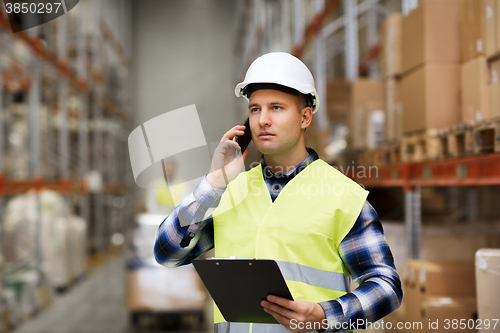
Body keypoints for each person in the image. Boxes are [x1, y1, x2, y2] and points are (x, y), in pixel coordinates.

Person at [154, 52, 402, 333]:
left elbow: (386, 287)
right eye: (255, 109)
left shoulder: (343, 195)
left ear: (305, 117)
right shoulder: (229, 192)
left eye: (276, 108)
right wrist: (212, 184)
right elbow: (167, 253)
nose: (263, 120)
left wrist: (325, 314)